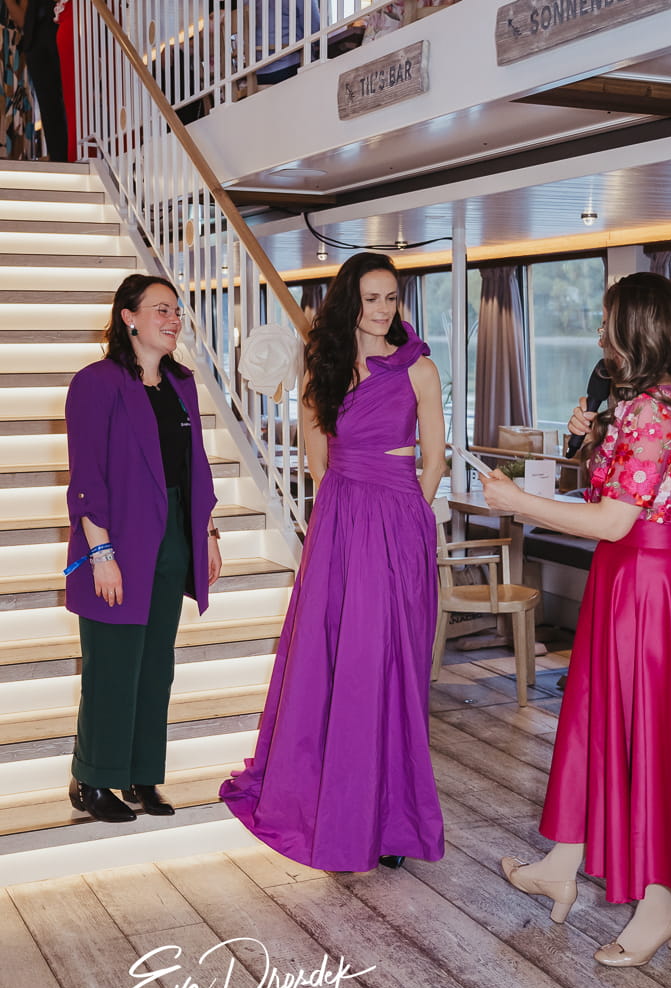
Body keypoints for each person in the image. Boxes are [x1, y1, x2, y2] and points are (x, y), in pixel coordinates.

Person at [482, 273, 671, 967]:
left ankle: (659, 904)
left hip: (650, 587)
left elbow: (614, 520)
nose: (600, 335)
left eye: (608, 323)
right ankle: (563, 863)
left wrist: (519, 503)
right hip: (641, 581)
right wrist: (595, 434)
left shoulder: (653, 410)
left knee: (647, 740)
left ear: (636, 331)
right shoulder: (666, 402)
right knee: (601, 722)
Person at [220, 252, 446, 872]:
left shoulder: (419, 367)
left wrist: (411, 513)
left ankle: (392, 818)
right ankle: (339, 808)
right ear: (350, 301)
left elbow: (434, 458)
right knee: (337, 659)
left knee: (393, 665)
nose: (383, 309)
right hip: (341, 521)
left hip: (399, 521)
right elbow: (317, 459)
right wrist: (339, 521)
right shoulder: (322, 365)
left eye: (392, 298)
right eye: (372, 298)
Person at [64, 275, 222, 823]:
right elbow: (87, 476)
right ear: (128, 318)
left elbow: (194, 466)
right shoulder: (96, 383)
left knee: (156, 666)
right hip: (116, 539)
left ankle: (141, 775)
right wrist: (101, 554)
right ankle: (92, 779)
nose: (173, 319)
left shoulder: (180, 382)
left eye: (176, 310)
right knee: (112, 665)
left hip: (173, 536)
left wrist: (207, 534)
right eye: (161, 310)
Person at [1, 0, 68, 160]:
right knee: (47, 105)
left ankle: (69, 154)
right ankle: (58, 157)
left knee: (66, 98)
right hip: (34, 40)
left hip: (57, 30)